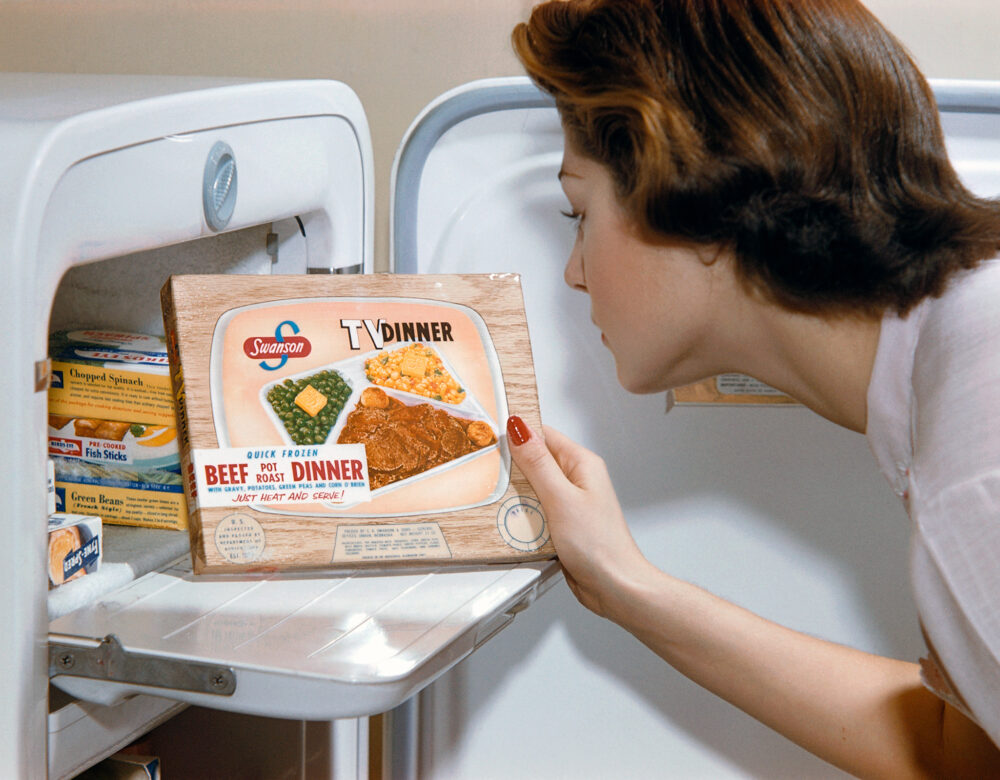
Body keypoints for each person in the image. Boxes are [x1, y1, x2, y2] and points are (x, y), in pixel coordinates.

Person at [505, 1, 1000, 776]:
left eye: (580, 212)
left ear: (690, 189)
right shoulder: (960, 371)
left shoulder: (976, 465)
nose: (574, 272)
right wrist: (626, 586)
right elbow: (959, 754)